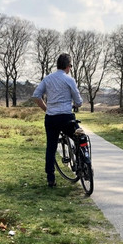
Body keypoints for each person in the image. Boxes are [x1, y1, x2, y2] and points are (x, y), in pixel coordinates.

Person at [32, 53, 84, 187]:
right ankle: (83, 166)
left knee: (51, 147)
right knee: (79, 139)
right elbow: (78, 101)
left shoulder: (48, 79)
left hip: (51, 118)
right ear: (68, 66)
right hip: (66, 117)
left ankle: (51, 178)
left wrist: (46, 109)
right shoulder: (69, 80)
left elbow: (37, 95)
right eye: (71, 66)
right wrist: (76, 104)